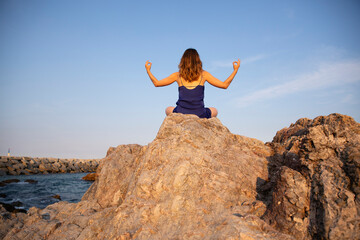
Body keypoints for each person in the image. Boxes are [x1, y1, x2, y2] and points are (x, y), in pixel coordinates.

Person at [145, 48, 240, 118]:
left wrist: (148, 70)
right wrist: (235, 70)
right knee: (214, 110)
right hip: (200, 114)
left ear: (183, 61)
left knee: (168, 109)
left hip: (181, 113)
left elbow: (156, 83)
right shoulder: (204, 75)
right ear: (198, 61)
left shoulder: (177, 76)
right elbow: (224, 85)